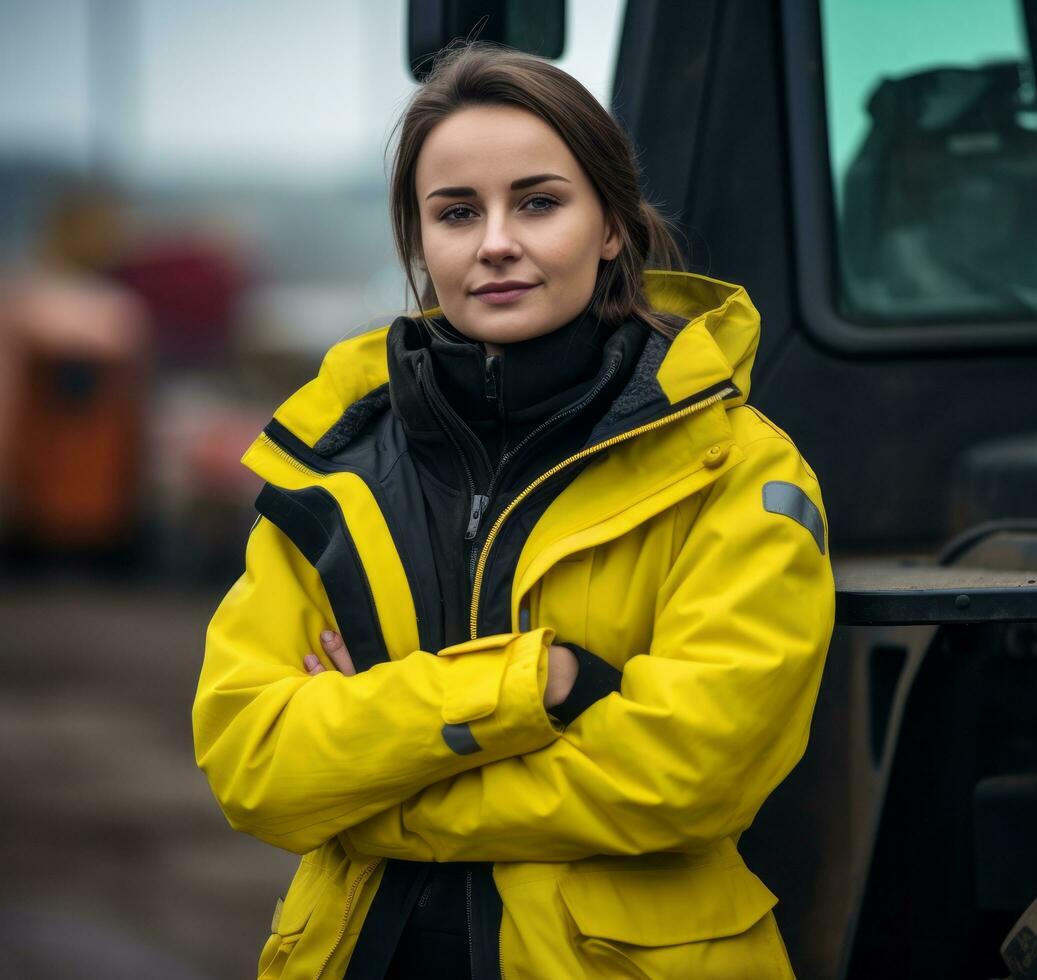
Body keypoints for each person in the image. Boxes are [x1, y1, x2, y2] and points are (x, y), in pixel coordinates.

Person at [192, 41, 835, 980]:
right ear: (420, 242)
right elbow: (255, 760)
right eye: (456, 212)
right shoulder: (332, 471)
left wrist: (374, 770)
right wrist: (545, 685)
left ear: (612, 226)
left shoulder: (734, 469)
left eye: (538, 202)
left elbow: (689, 774)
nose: (495, 241)